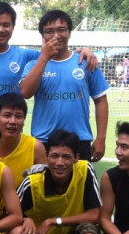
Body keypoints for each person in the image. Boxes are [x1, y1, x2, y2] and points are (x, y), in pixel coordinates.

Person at [0, 2, 98, 127]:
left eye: (6, 25)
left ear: (13, 28)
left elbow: (56, 56)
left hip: (11, 132)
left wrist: (81, 50)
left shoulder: (27, 56)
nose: (1, 30)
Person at [20, 10, 110, 163]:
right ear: (43, 36)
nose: (56, 35)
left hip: (79, 140)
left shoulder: (85, 62)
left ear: (69, 33)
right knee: (43, 186)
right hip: (43, 141)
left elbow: (100, 100)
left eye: (61, 29)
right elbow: (25, 92)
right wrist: (44, 57)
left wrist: (101, 138)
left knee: (79, 186)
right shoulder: (33, 65)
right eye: (49, 31)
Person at [0, 93, 46, 189]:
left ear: (24, 120)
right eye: (7, 115)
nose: (13, 121)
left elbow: (44, 186)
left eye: (19, 116)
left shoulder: (35, 147)